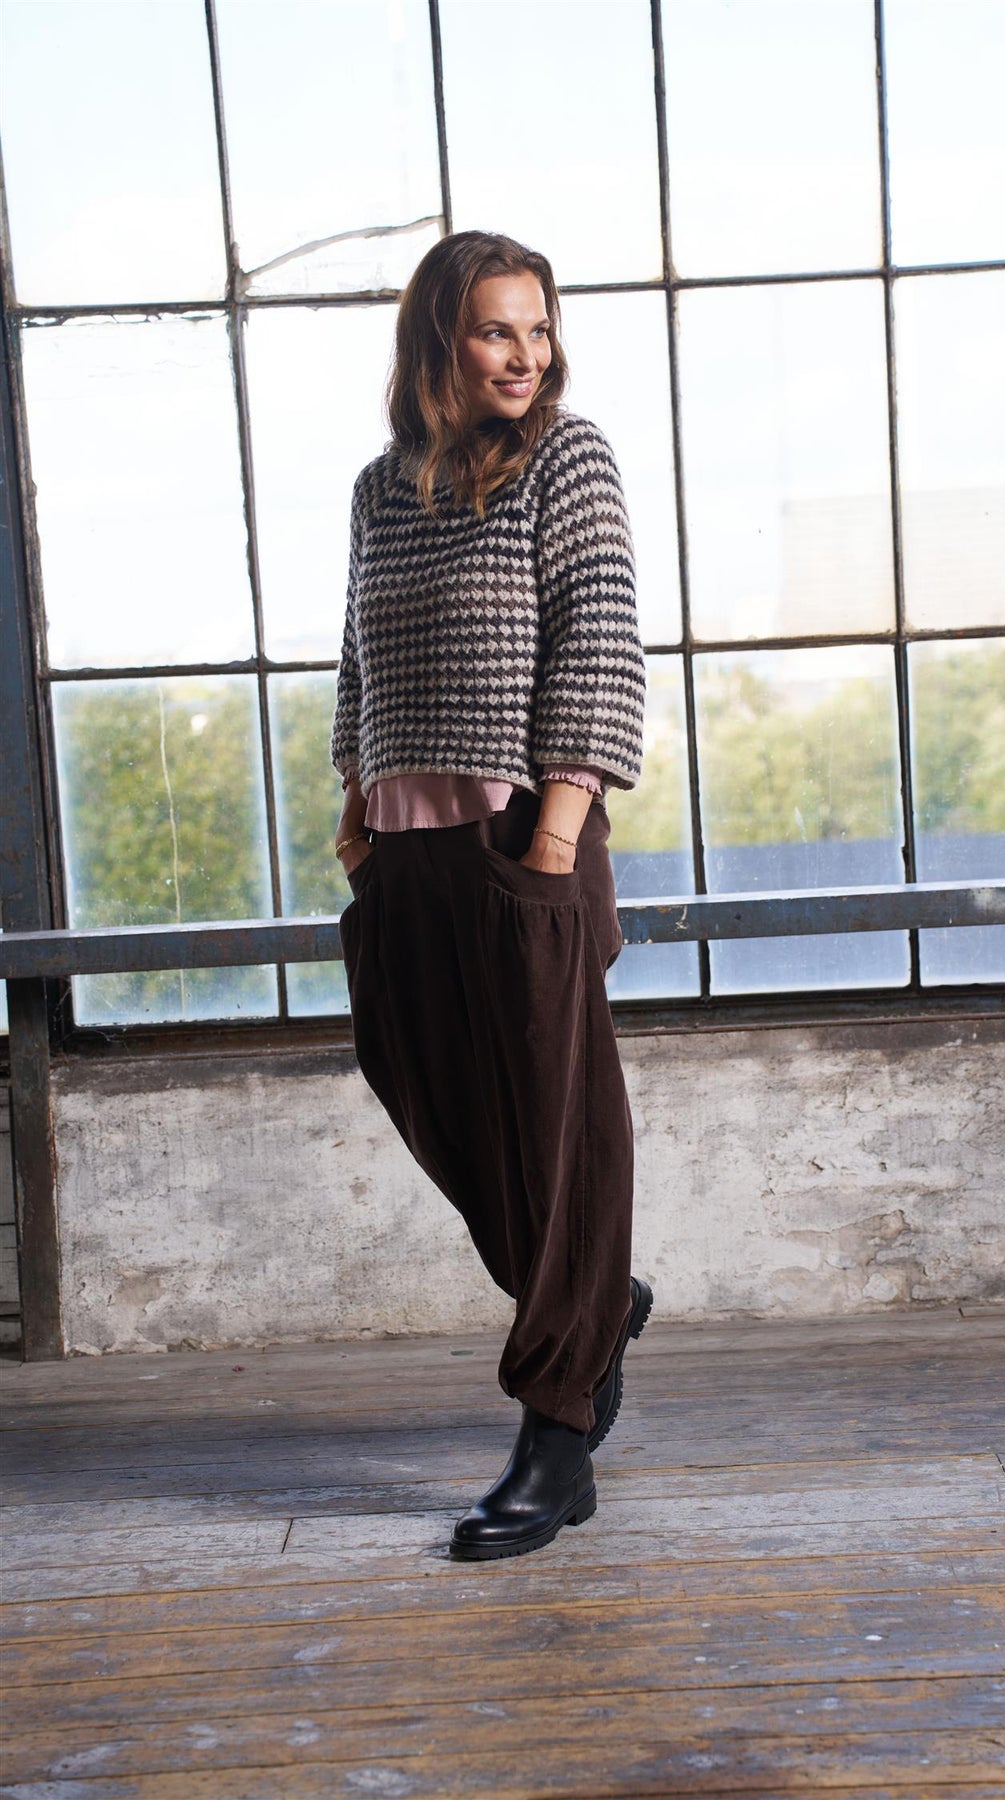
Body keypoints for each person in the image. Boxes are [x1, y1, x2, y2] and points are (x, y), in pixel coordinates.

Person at [329, 230, 653, 1561]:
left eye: (540, 328)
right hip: (405, 846)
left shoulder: (565, 459)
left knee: (554, 1132)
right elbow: (356, 649)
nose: (527, 355)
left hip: (527, 834)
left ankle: (556, 1434)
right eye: (495, 330)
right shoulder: (380, 488)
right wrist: (355, 797)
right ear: (438, 343)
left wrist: (561, 829)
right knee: (418, 1077)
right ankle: (594, 1300)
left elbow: (601, 633)